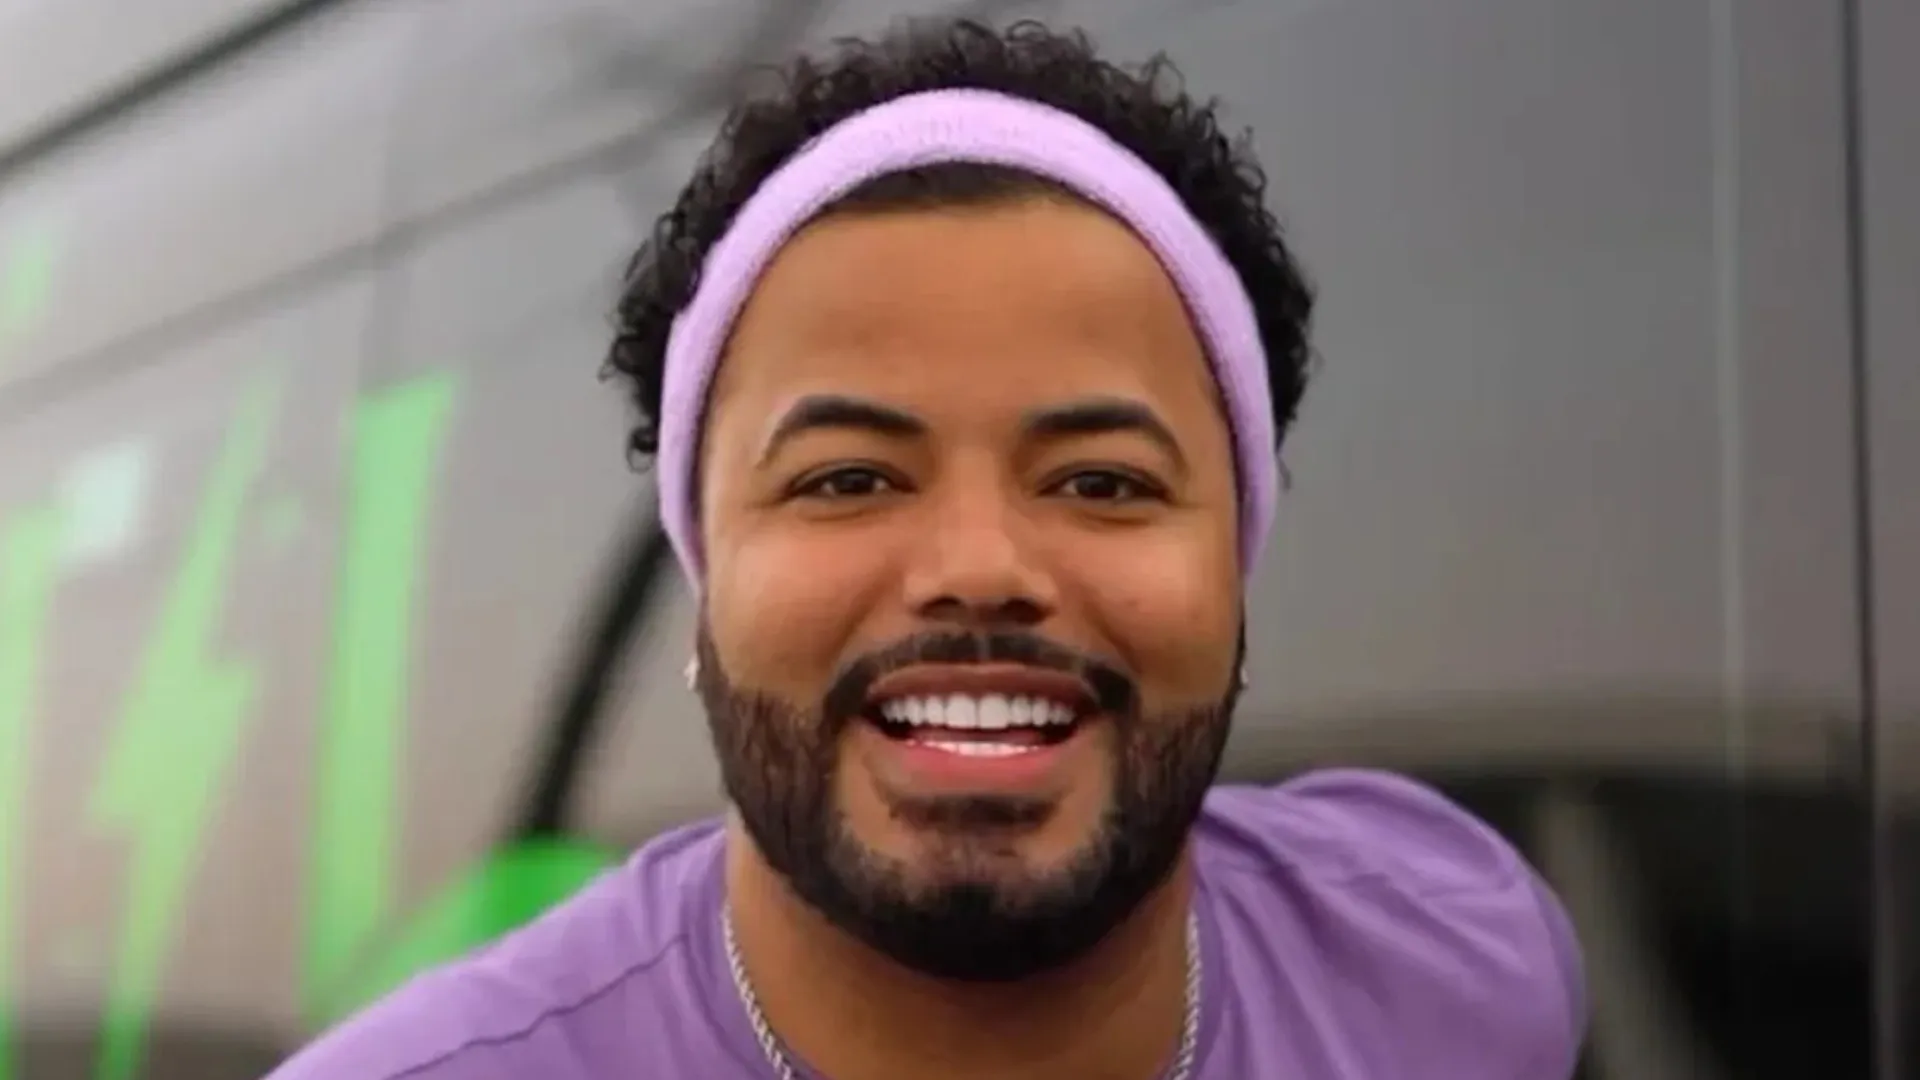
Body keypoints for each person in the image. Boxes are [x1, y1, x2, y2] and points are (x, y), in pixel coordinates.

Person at [270, 18, 1586, 1080]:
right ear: (706, 582)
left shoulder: (1451, 962)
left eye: (1102, 481)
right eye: (847, 479)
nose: (979, 566)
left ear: (1232, 570)